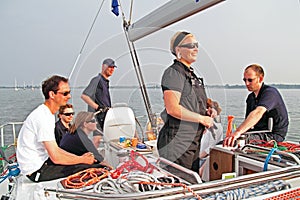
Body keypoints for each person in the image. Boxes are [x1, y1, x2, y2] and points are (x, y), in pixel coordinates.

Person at [16, 75, 102, 182]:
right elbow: (56, 157)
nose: (69, 96)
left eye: (69, 92)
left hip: (43, 163)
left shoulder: (46, 114)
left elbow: (56, 150)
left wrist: (81, 158)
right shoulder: (42, 117)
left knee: (92, 164)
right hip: (36, 171)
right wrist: (82, 160)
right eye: (65, 93)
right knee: (97, 169)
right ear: (52, 94)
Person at [157, 31, 215, 174]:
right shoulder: (173, 74)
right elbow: (173, 109)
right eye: (190, 45)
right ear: (178, 50)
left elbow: (190, 103)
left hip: (192, 143)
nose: (195, 48)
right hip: (177, 145)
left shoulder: (190, 74)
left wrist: (207, 111)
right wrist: (202, 119)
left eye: (196, 45)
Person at [223, 64, 289, 147]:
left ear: (260, 79)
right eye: (245, 80)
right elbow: (249, 121)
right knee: (229, 140)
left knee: (236, 141)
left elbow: (258, 112)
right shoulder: (251, 98)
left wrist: (237, 132)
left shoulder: (271, 93)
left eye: (250, 80)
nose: (247, 83)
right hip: (256, 133)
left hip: (273, 136)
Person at [81, 58, 117, 148]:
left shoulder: (105, 82)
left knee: (113, 136)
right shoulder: (97, 80)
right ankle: (92, 159)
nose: (112, 69)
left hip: (106, 116)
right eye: (110, 67)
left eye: (113, 67)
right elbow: (84, 96)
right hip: (98, 116)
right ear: (103, 67)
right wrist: (97, 107)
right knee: (97, 140)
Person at [199, 99, 223, 178]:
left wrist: (197, 157)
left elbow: (210, 148)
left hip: (203, 159)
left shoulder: (216, 127)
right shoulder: (201, 125)